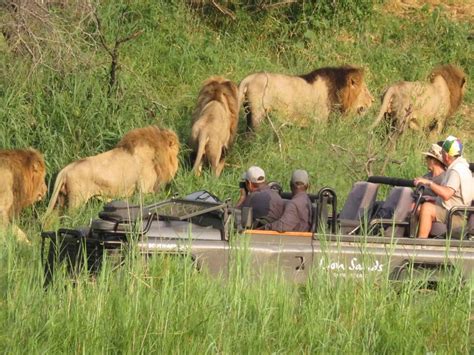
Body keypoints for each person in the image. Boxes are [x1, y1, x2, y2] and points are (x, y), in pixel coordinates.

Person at [414, 136, 473, 238]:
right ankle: (412, 238)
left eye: (442, 153)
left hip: (457, 216)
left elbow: (446, 194)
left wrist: (429, 183)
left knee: (427, 208)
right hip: (455, 211)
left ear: (446, 155)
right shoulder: (460, 167)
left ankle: (420, 244)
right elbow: (454, 196)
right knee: (419, 208)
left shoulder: (456, 170)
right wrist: (434, 198)